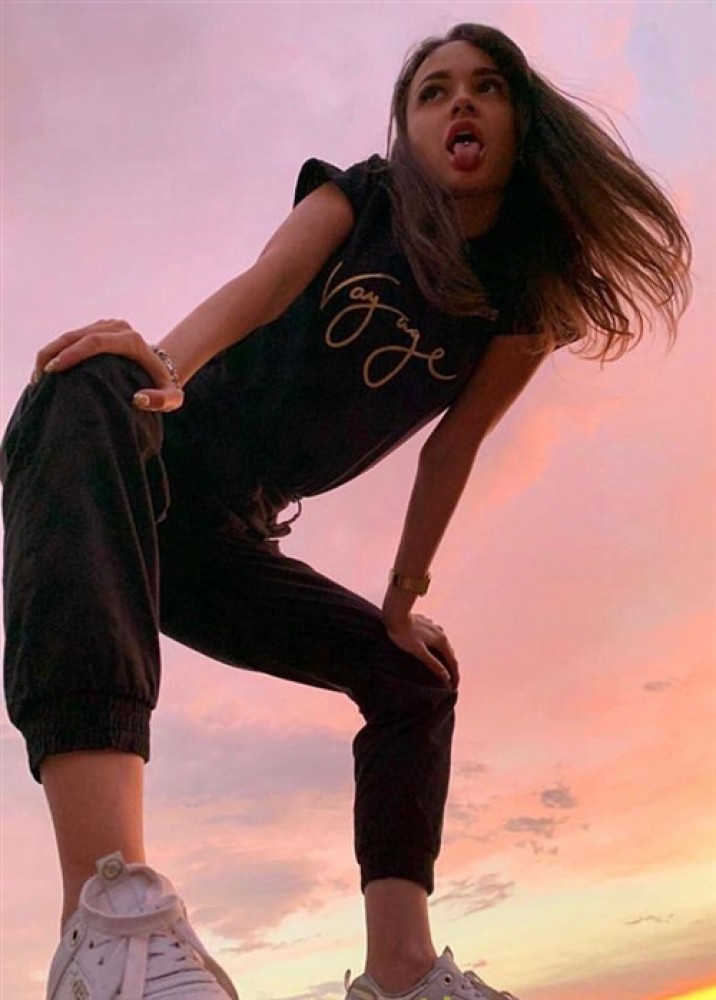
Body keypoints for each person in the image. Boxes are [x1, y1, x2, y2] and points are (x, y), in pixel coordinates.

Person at [1, 21, 691, 1000]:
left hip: (227, 536)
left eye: (485, 86)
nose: (458, 102)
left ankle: (400, 972)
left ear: (520, 121)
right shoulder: (359, 197)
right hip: (142, 462)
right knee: (86, 384)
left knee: (416, 677)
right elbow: (262, 285)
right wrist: (161, 368)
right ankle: (105, 921)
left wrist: (402, 602)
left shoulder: (520, 300)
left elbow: (452, 449)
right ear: (407, 131)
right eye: (431, 91)